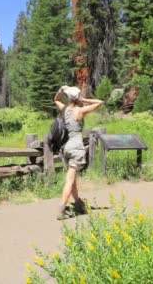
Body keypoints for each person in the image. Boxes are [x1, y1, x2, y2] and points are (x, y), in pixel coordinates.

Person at [54, 85, 104, 219]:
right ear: (77, 98)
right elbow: (100, 102)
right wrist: (84, 99)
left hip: (65, 148)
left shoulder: (64, 109)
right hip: (76, 147)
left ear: (69, 97)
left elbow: (56, 99)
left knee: (72, 178)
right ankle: (62, 208)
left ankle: (78, 203)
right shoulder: (80, 111)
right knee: (70, 180)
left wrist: (61, 90)